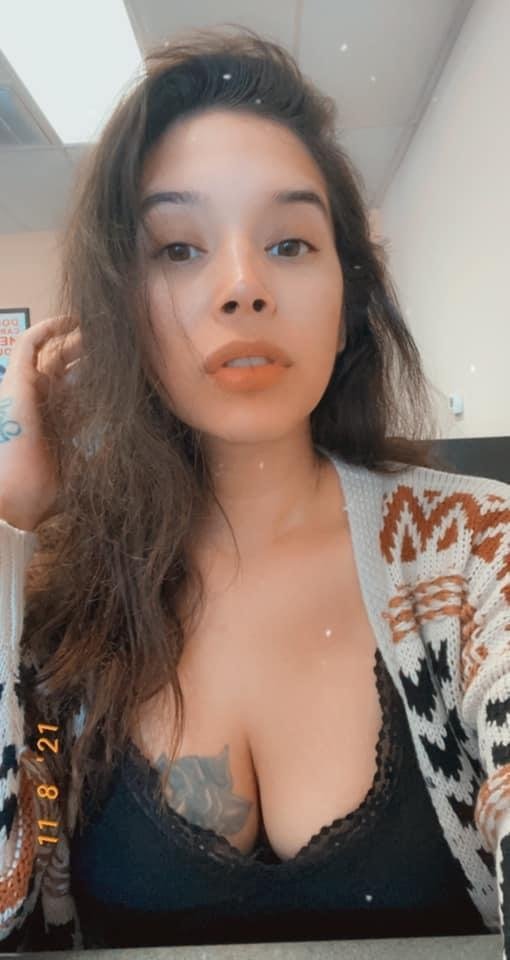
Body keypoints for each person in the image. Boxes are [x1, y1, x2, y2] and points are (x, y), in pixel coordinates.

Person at [0, 23, 508, 955]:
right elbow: (6, 900)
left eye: (289, 242)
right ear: (118, 311)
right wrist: (8, 527)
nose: (241, 287)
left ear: (349, 300)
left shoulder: (476, 551)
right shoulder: (54, 596)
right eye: (177, 249)